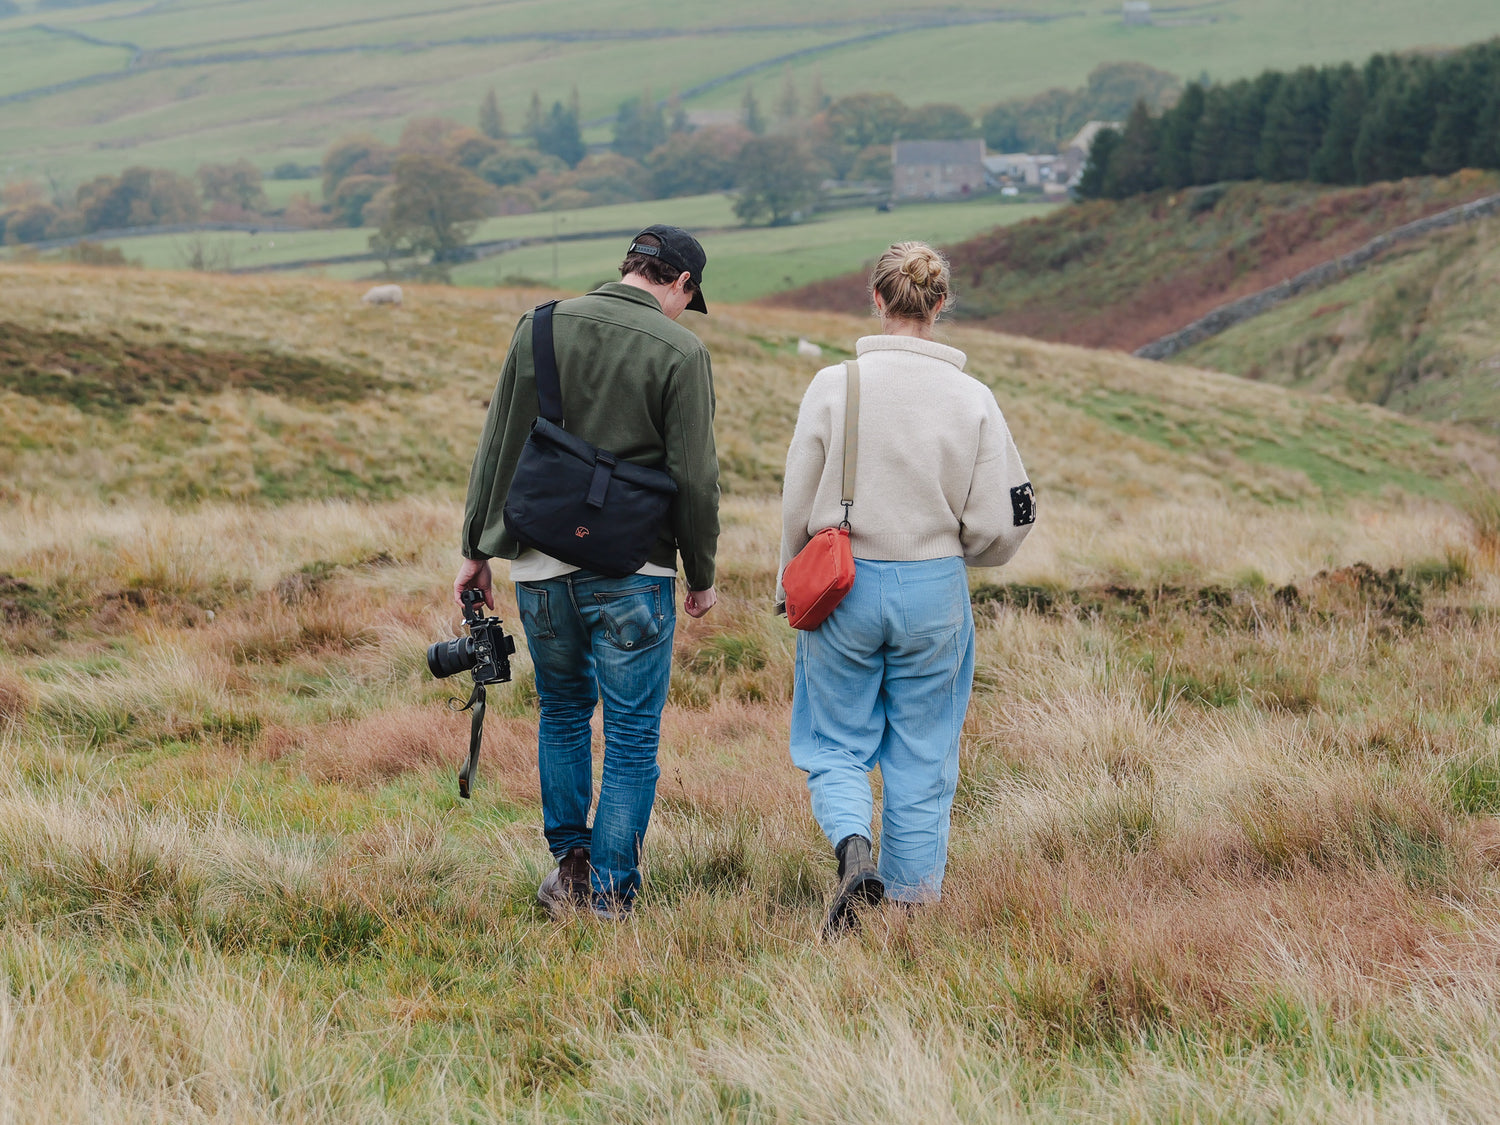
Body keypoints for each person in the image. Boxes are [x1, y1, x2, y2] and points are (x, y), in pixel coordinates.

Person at [455, 226, 720, 920]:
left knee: (563, 712)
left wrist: (475, 549)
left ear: (629, 267)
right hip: (635, 568)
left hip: (540, 566)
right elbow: (695, 475)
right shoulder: (683, 349)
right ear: (682, 285)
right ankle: (608, 892)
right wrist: (702, 570)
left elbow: (498, 443)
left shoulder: (539, 325)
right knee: (632, 734)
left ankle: (571, 868)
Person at [777, 241, 1035, 937]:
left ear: (878, 299)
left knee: (834, 742)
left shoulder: (835, 385)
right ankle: (911, 910)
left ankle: (854, 848)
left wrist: (787, 579)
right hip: (935, 587)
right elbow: (1007, 514)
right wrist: (966, 553)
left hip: (843, 583)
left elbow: (797, 501)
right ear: (941, 304)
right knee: (924, 749)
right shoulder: (974, 399)